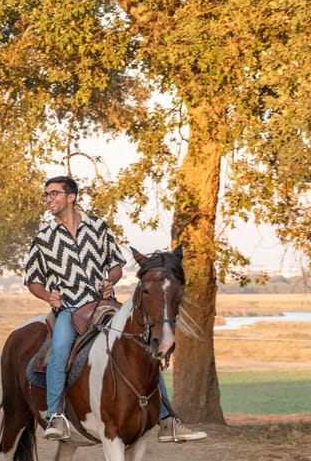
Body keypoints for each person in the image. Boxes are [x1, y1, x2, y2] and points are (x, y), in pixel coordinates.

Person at [25, 175, 207, 442]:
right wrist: (48, 297)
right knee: (60, 348)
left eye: (54, 193)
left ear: (71, 197)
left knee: (144, 348)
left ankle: (168, 421)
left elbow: (116, 265)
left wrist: (110, 280)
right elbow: (33, 280)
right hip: (70, 308)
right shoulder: (44, 238)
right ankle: (55, 416)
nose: (49, 199)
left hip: (104, 305)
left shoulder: (98, 227)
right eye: (47, 195)